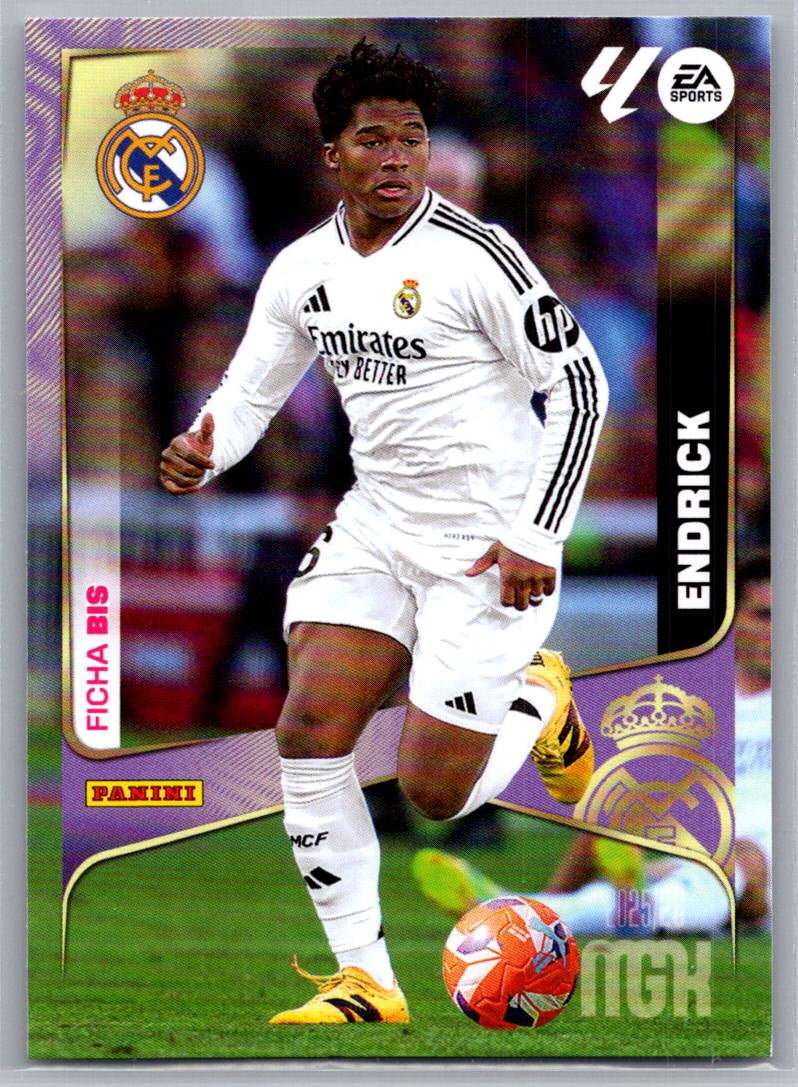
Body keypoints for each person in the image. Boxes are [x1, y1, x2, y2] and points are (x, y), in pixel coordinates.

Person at [159, 40, 607, 1024]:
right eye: (375, 139)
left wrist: (537, 533)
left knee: (436, 793)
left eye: (413, 138)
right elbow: (253, 388)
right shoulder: (302, 268)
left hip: (487, 539)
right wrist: (205, 444)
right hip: (376, 520)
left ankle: (539, 699)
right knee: (308, 729)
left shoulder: (478, 255)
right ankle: (368, 980)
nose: (398, 156)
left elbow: (581, 383)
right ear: (334, 153)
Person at [414, 553, 772, 937]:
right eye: (764, 616)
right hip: (709, 869)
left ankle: (527, 912)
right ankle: (537, 911)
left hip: (765, 868)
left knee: (723, 866)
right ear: (731, 619)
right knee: (678, 875)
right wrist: (554, 893)